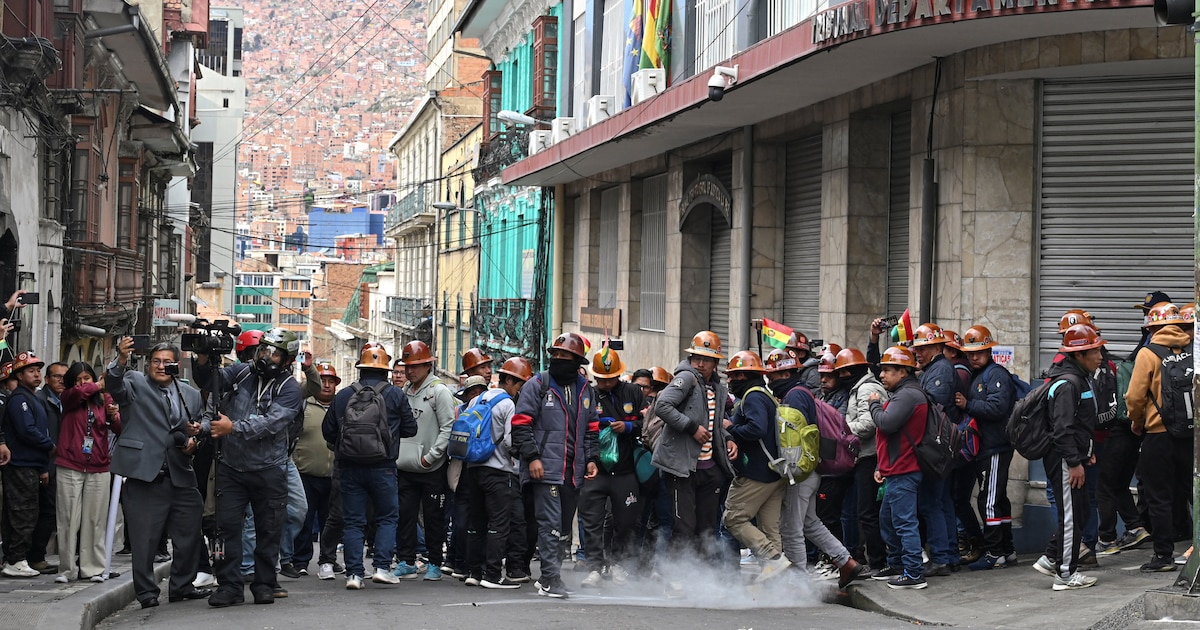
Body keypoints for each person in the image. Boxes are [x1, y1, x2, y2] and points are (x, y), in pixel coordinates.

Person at [195, 328, 303, 607]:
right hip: (231, 467)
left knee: (269, 529)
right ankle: (230, 586)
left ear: (288, 360)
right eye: (264, 350)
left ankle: (264, 584)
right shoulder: (242, 372)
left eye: (275, 353)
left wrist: (232, 428)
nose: (266, 357)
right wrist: (205, 358)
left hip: (269, 469)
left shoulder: (289, 387)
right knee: (227, 527)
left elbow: (271, 423)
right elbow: (210, 381)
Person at [107, 339, 209, 608]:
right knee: (144, 541)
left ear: (177, 364)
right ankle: (147, 593)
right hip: (145, 475)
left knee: (189, 534)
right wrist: (120, 359)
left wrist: (193, 443)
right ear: (149, 363)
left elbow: (197, 431)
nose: (161, 366)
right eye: (156, 361)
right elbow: (114, 386)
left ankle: (182, 586)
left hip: (180, 474)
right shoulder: (134, 383)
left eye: (168, 362)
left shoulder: (191, 395)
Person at [762, 349, 863, 588]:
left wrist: (791, 470)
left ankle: (798, 583)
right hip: (811, 468)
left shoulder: (795, 396)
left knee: (791, 528)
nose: (769, 380)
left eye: (773, 376)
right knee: (810, 522)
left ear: (786, 372)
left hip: (801, 470)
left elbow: (793, 439)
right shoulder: (801, 393)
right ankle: (845, 561)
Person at [512, 332, 600, 599]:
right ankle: (550, 578)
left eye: (566, 356)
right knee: (549, 524)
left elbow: (592, 429)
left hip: (573, 473)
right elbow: (520, 425)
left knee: (562, 529)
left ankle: (552, 574)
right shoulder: (538, 384)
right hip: (545, 470)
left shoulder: (586, 389)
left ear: (577, 360)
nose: (560, 360)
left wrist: (592, 459)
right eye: (556, 355)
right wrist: (533, 458)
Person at [322, 344, 416, 589]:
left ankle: (354, 574)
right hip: (384, 466)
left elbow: (328, 430)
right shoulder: (395, 395)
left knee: (353, 521)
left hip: (349, 468)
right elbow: (411, 428)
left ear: (360, 369)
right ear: (385, 370)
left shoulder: (343, 395)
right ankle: (382, 568)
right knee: (387, 517)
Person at [650, 331, 737, 598]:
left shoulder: (719, 388)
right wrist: (690, 428)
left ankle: (700, 578)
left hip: (710, 468)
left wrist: (729, 438)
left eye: (707, 360)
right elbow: (662, 406)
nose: (701, 364)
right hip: (682, 468)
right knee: (683, 525)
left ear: (716, 363)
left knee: (706, 528)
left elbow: (717, 421)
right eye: (697, 358)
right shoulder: (685, 378)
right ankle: (674, 578)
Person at [1029, 324, 1104, 590]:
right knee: (1071, 515)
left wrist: (1087, 454)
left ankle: (1052, 558)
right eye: (1094, 351)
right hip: (1063, 460)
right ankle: (1064, 574)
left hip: (1075, 458)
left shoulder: (1080, 378)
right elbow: (1062, 430)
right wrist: (1074, 462)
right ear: (1079, 355)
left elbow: (1082, 424)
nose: (1100, 356)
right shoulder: (1067, 384)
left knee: (1080, 512)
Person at [1128, 302, 1193, 572]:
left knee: (1159, 497)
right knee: (1193, 492)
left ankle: (1164, 556)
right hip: (1191, 436)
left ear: (1153, 327)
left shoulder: (1148, 353)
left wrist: (1136, 421)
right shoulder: (1193, 349)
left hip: (1159, 435)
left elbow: (1134, 396)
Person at [462, 357, 534, 589]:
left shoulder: (476, 400)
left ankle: (474, 571)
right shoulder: (507, 404)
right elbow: (511, 442)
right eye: (521, 384)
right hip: (498, 472)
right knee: (499, 524)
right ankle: (493, 575)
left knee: (477, 522)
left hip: (473, 469)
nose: (522, 389)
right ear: (511, 381)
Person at [721, 351, 790, 580]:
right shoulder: (764, 394)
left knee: (733, 518)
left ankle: (772, 558)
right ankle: (777, 585)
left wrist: (730, 427)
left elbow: (756, 429)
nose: (729, 381)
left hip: (757, 473)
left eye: (732, 376)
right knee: (770, 529)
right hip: (774, 472)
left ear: (744, 375)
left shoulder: (753, 397)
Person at [579, 346, 644, 588]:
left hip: (626, 470)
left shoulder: (633, 392)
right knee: (592, 520)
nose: (606, 383)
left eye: (611, 378)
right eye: (602, 379)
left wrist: (628, 427)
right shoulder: (589, 395)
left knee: (626, 521)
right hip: (596, 470)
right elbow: (582, 428)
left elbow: (646, 423)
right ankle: (595, 566)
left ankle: (618, 564)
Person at [954, 325, 1018, 570]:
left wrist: (967, 404)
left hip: (995, 447)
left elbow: (997, 408)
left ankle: (994, 553)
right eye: (969, 353)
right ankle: (1007, 550)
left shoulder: (996, 374)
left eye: (978, 352)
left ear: (989, 350)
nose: (973, 357)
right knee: (997, 499)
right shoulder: (979, 374)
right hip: (989, 447)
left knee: (988, 501)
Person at [391, 340, 456, 581]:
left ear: (428, 365)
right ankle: (407, 560)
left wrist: (432, 456)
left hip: (431, 468)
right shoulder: (404, 392)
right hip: (405, 465)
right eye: (408, 366)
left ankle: (435, 563)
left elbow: (449, 427)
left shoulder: (439, 392)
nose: (410, 371)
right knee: (405, 515)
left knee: (434, 518)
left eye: (416, 366)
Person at [868, 346, 929, 590]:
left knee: (903, 522)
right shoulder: (905, 394)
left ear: (903, 372)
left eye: (887, 371)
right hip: (895, 469)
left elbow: (886, 423)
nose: (881, 376)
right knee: (888, 520)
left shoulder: (908, 396)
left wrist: (873, 405)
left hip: (904, 470)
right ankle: (896, 564)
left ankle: (914, 572)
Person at [54, 362, 121, 583]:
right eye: (79, 379)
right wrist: (97, 385)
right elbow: (76, 395)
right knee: (68, 519)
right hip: (70, 464)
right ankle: (67, 569)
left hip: (99, 465)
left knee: (95, 520)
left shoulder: (104, 399)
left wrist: (114, 415)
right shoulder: (69, 397)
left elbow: (118, 428)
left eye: (87, 378)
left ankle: (92, 568)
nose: (83, 383)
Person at [910, 323, 959, 575]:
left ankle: (941, 557)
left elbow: (931, 404)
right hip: (936, 446)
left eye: (923, 348)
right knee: (940, 502)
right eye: (917, 348)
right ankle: (948, 554)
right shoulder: (933, 368)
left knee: (931, 503)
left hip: (935, 447)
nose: (917, 352)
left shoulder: (941, 369)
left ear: (938, 347)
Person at [1, 351, 55, 579]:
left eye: (37, 370)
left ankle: (19, 557)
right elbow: (27, 431)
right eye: (30, 371)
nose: (36, 375)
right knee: (22, 512)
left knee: (31, 511)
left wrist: (42, 466)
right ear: (19, 375)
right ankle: (15, 559)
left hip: (33, 464)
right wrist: (50, 445)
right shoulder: (20, 399)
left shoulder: (33, 397)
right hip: (20, 464)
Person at [838, 347, 889, 576]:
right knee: (865, 512)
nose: (841, 377)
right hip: (865, 456)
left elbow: (868, 424)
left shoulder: (866, 388)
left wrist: (843, 434)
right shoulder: (859, 387)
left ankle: (878, 562)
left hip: (870, 457)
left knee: (867, 513)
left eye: (845, 372)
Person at [292, 362, 340, 577]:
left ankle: (328, 560)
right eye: (323, 381)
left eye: (331, 381)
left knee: (331, 520)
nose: (327, 386)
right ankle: (300, 560)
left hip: (334, 475)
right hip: (305, 473)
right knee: (304, 518)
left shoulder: (342, 406)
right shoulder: (303, 405)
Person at [30, 361, 67, 575]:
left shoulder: (65, 401)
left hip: (60, 464)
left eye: (65, 377)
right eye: (56, 376)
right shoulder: (40, 400)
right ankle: (35, 556)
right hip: (45, 464)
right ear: (47, 379)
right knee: (46, 511)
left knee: (51, 511)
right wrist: (44, 465)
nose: (61, 380)